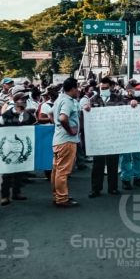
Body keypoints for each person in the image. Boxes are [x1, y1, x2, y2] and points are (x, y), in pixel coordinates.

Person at [89, 78, 132, 197]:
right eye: (101, 88)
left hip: (113, 136)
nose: (103, 90)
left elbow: (127, 111)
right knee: (98, 164)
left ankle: (113, 188)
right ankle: (95, 189)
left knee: (113, 163)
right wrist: (87, 110)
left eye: (106, 88)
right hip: (99, 137)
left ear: (111, 87)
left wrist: (132, 104)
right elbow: (88, 117)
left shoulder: (119, 98)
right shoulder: (93, 99)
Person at [0, 88, 36, 205]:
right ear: (16, 101)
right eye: (22, 99)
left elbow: (36, 127)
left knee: (20, 170)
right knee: (7, 172)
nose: (24, 102)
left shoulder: (28, 115)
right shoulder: (6, 114)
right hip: (8, 147)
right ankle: (4, 196)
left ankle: (16, 193)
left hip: (22, 147)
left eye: (25, 100)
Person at [51, 77, 81, 207]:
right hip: (67, 140)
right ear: (73, 88)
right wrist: (70, 130)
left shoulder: (59, 99)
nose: (78, 91)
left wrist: (58, 126)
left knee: (57, 170)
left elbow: (50, 115)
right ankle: (62, 198)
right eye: (77, 88)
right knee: (63, 171)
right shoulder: (68, 101)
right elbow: (63, 118)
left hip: (58, 139)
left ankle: (58, 195)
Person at [120, 82, 140, 190]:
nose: (132, 92)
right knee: (126, 156)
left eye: (136, 89)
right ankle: (125, 179)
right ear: (126, 90)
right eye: (130, 89)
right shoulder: (121, 99)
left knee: (138, 155)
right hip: (125, 131)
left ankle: (138, 177)